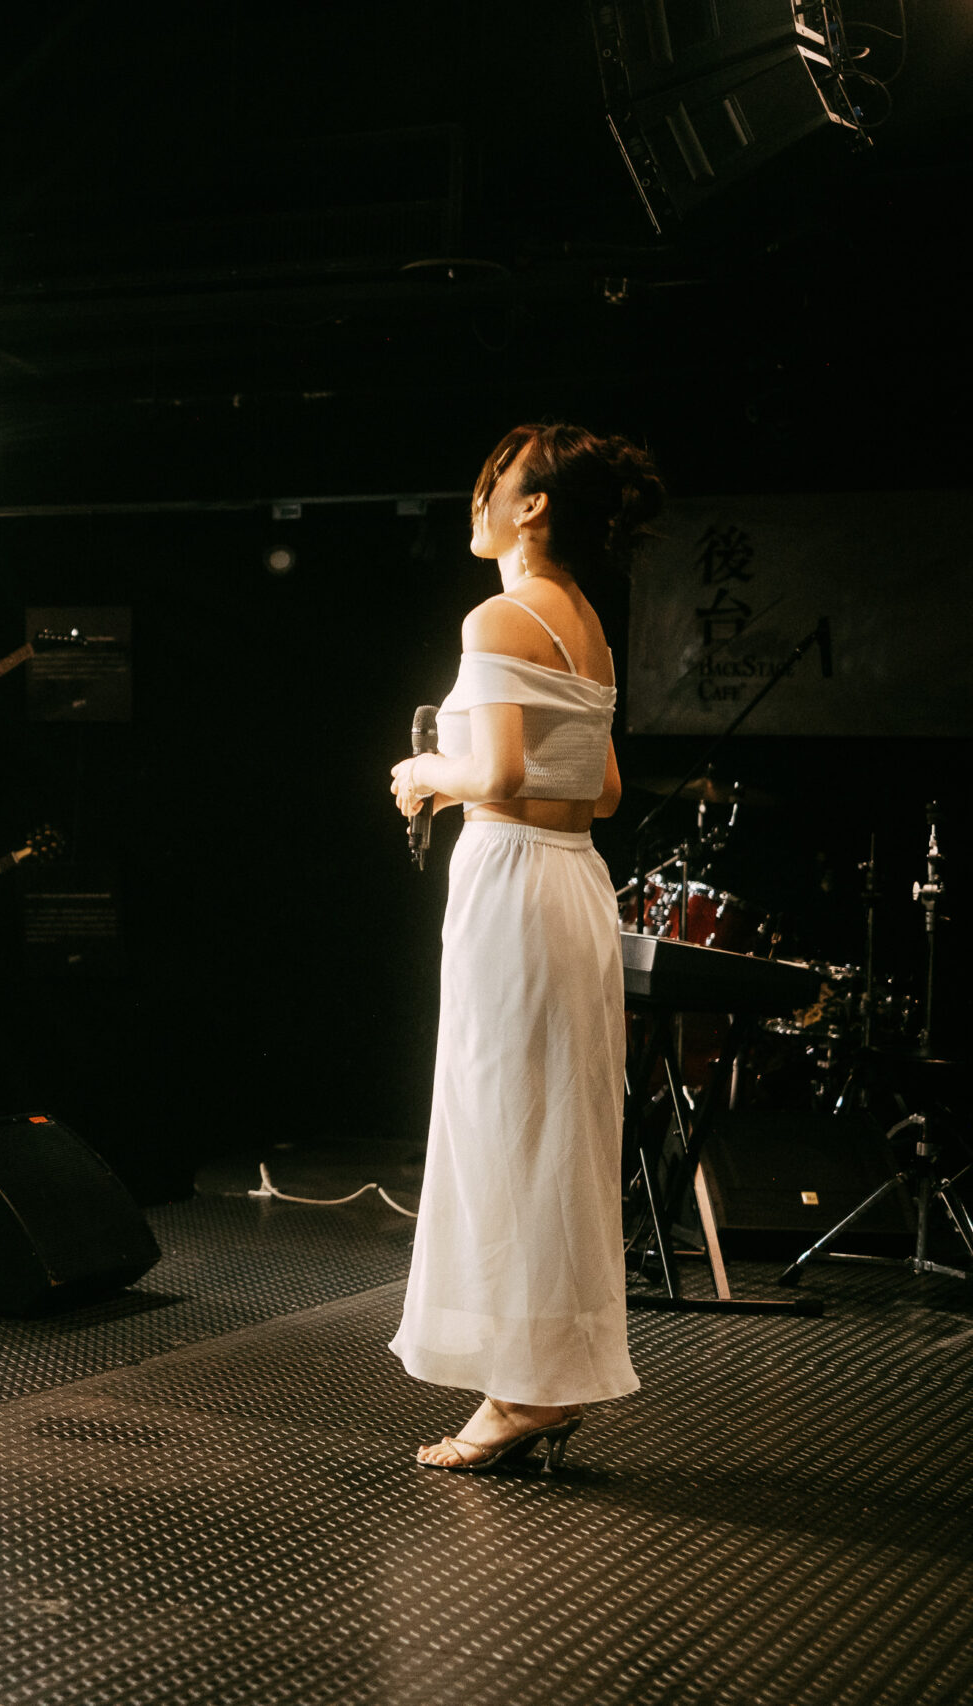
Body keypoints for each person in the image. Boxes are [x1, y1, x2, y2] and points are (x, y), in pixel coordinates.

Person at [386, 422, 658, 1473]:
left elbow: (497, 776)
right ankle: (538, 1378)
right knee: (552, 1126)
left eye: (494, 481)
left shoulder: (500, 614)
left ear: (532, 505)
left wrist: (424, 777)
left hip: (513, 881)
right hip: (574, 881)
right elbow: (605, 789)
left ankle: (521, 1392)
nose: (480, 497)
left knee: (506, 1120)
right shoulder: (584, 622)